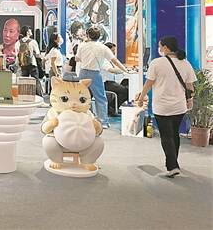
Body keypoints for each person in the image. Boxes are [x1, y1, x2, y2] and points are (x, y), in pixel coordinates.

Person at [135, 37, 196, 178]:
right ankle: (174, 163)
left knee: (166, 136)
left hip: (162, 106)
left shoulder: (156, 63)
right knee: (174, 134)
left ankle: (172, 166)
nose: (159, 48)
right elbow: (190, 86)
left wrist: (141, 97)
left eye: (160, 46)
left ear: (166, 47)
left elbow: (149, 83)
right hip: (179, 106)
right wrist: (190, 100)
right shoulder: (185, 63)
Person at [76, 27, 128, 128]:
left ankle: (80, 119)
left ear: (88, 35)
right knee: (100, 98)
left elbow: (77, 58)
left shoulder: (82, 45)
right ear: (99, 36)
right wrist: (124, 69)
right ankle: (103, 122)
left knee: (81, 96)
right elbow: (114, 60)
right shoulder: (103, 47)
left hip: (83, 73)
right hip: (95, 74)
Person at [102, 43, 129, 115]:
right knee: (127, 91)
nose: (114, 52)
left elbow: (116, 67)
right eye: (113, 50)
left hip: (111, 82)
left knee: (125, 84)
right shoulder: (103, 60)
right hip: (105, 83)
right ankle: (111, 108)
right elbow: (110, 70)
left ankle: (113, 107)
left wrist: (125, 69)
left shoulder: (109, 60)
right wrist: (123, 71)